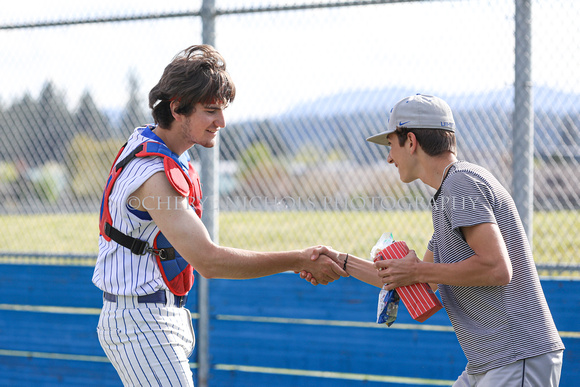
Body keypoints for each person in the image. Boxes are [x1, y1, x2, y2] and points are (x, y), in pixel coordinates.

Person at [92, 44, 347, 386]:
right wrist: (298, 259)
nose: (221, 121)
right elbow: (208, 261)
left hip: (154, 316)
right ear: (177, 107)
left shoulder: (155, 145)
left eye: (223, 110)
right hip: (140, 321)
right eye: (211, 110)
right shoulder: (152, 173)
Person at [303, 94, 565, 386]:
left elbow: (497, 269)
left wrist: (417, 270)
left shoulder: (461, 183)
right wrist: (341, 261)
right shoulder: (447, 194)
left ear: (411, 142)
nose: (389, 157)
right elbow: (417, 283)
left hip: (517, 355)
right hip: (490, 361)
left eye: (391, 145)